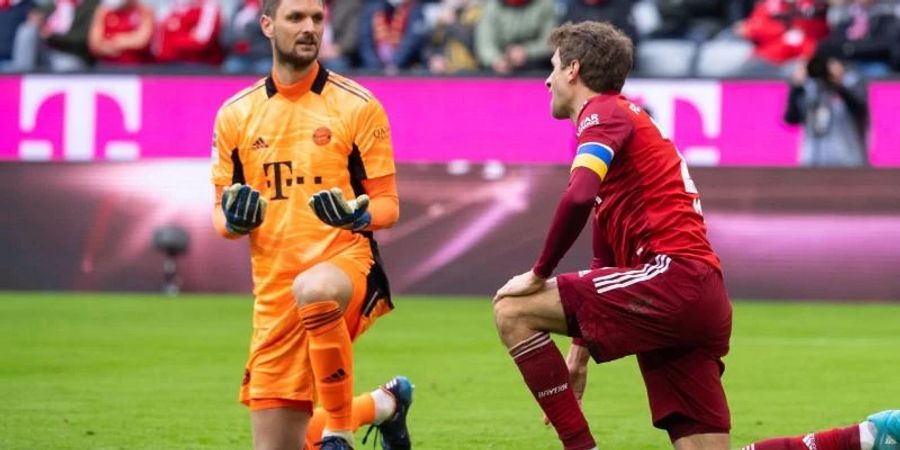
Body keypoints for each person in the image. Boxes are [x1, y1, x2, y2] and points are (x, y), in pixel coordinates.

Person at [491, 20, 899, 450]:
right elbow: (604, 255)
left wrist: (539, 273)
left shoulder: (603, 113)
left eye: (553, 67)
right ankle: (866, 437)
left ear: (573, 70)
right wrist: (578, 354)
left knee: (513, 310)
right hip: (698, 295)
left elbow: (577, 197)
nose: (547, 79)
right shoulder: (628, 129)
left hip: (671, 280)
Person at [210, 1, 412, 449]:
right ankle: (386, 405)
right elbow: (220, 217)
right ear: (266, 25)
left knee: (314, 289)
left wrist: (357, 216)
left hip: (345, 267)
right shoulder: (235, 115)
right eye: (295, 18)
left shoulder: (357, 106)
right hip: (274, 293)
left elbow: (389, 206)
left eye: (317, 19)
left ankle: (339, 433)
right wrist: (234, 220)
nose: (309, 28)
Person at [784, 53, 869, 167]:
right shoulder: (809, 87)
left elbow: (860, 111)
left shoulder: (851, 83)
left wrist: (836, 84)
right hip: (812, 158)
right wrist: (796, 88)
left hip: (847, 158)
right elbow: (791, 119)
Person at [87, 0, 154, 66]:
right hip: (107, 66)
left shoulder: (144, 11)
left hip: (136, 66)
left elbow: (142, 41)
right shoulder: (103, 11)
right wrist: (118, 46)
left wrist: (118, 40)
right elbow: (94, 45)